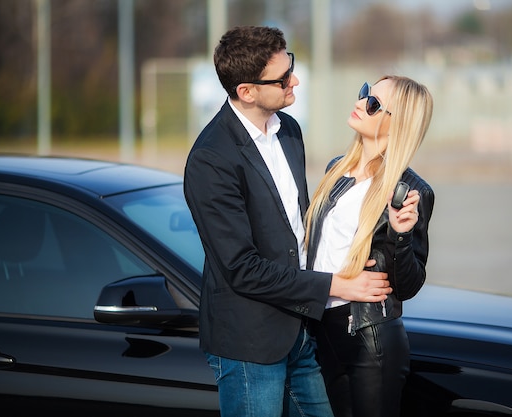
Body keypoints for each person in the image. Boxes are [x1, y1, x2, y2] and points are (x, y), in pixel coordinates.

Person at [183, 26, 392, 417]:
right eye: (282, 79)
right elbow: (242, 269)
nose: (294, 80)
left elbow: (293, 231)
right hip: (251, 344)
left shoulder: (289, 131)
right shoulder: (212, 159)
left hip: (300, 331)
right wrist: (337, 284)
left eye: (290, 65)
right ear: (246, 91)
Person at [304, 75, 435, 417]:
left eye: (374, 103)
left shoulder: (408, 189)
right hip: (320, 328)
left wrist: (401, 233)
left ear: (398, 123)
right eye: (365, 93)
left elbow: (406, 285)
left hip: (367, 337)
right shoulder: (337, 169)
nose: (361, 103)